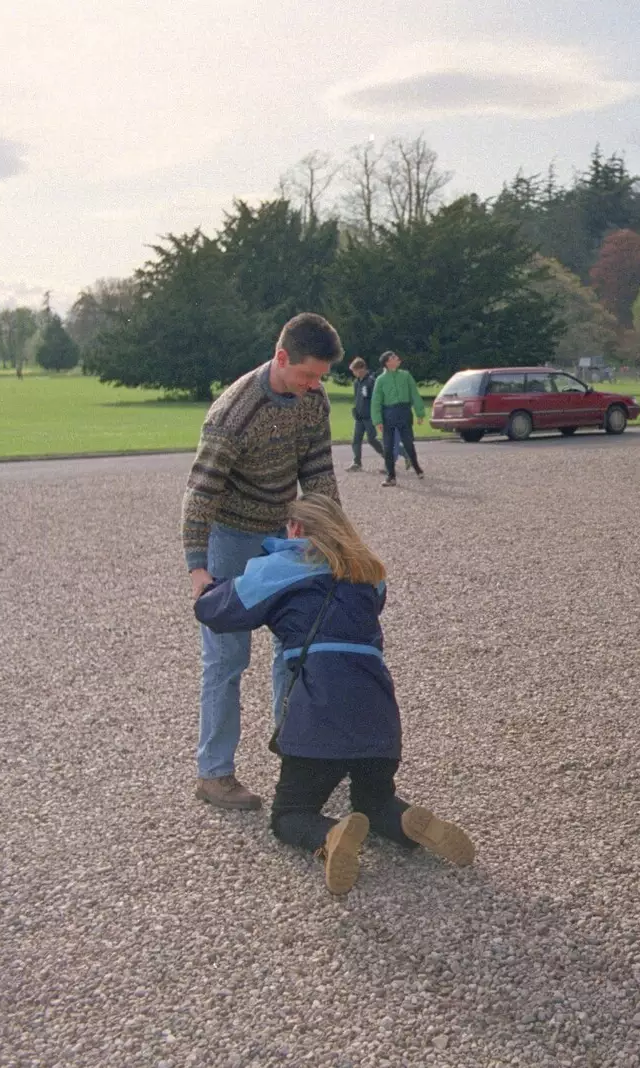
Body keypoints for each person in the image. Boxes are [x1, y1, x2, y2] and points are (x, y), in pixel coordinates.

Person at [193, 493, 475, 894]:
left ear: (295, 530)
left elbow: (218, 612)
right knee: (373, 802)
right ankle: (402, 820)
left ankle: (329, 835)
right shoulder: (369, 573)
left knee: (289, 814)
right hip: (378, 716)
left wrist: (203, 585)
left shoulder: (280, 567)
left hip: (318, 713)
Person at [182, 312, 343, 811]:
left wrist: (328, 531)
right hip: (230, 535)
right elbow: (200, 493)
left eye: (320, 377)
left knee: (296, 644)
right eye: (307, 375)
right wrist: (197, 566)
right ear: (280, 358)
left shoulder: (311, 400)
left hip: (282, 528)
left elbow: (318, 470)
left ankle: (298, 757)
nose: (314, 385)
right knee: (228, 659)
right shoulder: (233, 413)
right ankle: (214, 774)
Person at [370, 350, 425, 487]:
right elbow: (376, 401)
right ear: (388, 363)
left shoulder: (406, 376)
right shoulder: (380, 380)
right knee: (388, 446)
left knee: (408, 443)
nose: (397, 358)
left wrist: (420, 413)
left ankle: (417, 467)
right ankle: (391, 476)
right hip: (389, 414)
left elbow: (414, 394)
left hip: (404, 412)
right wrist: (377, 421)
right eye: (393, 357)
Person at [347, 357, 384, 472]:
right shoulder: (357, 383)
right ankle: (357, 462)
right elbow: (357, 398)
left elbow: (376, 399)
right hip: (359, 417)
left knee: (372, 439)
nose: (354, 373)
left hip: (369, 417)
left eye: (355, 370)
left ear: (362, 368)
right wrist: (355, 409)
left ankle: (388, 457)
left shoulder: (371, 382)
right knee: (356, 440)